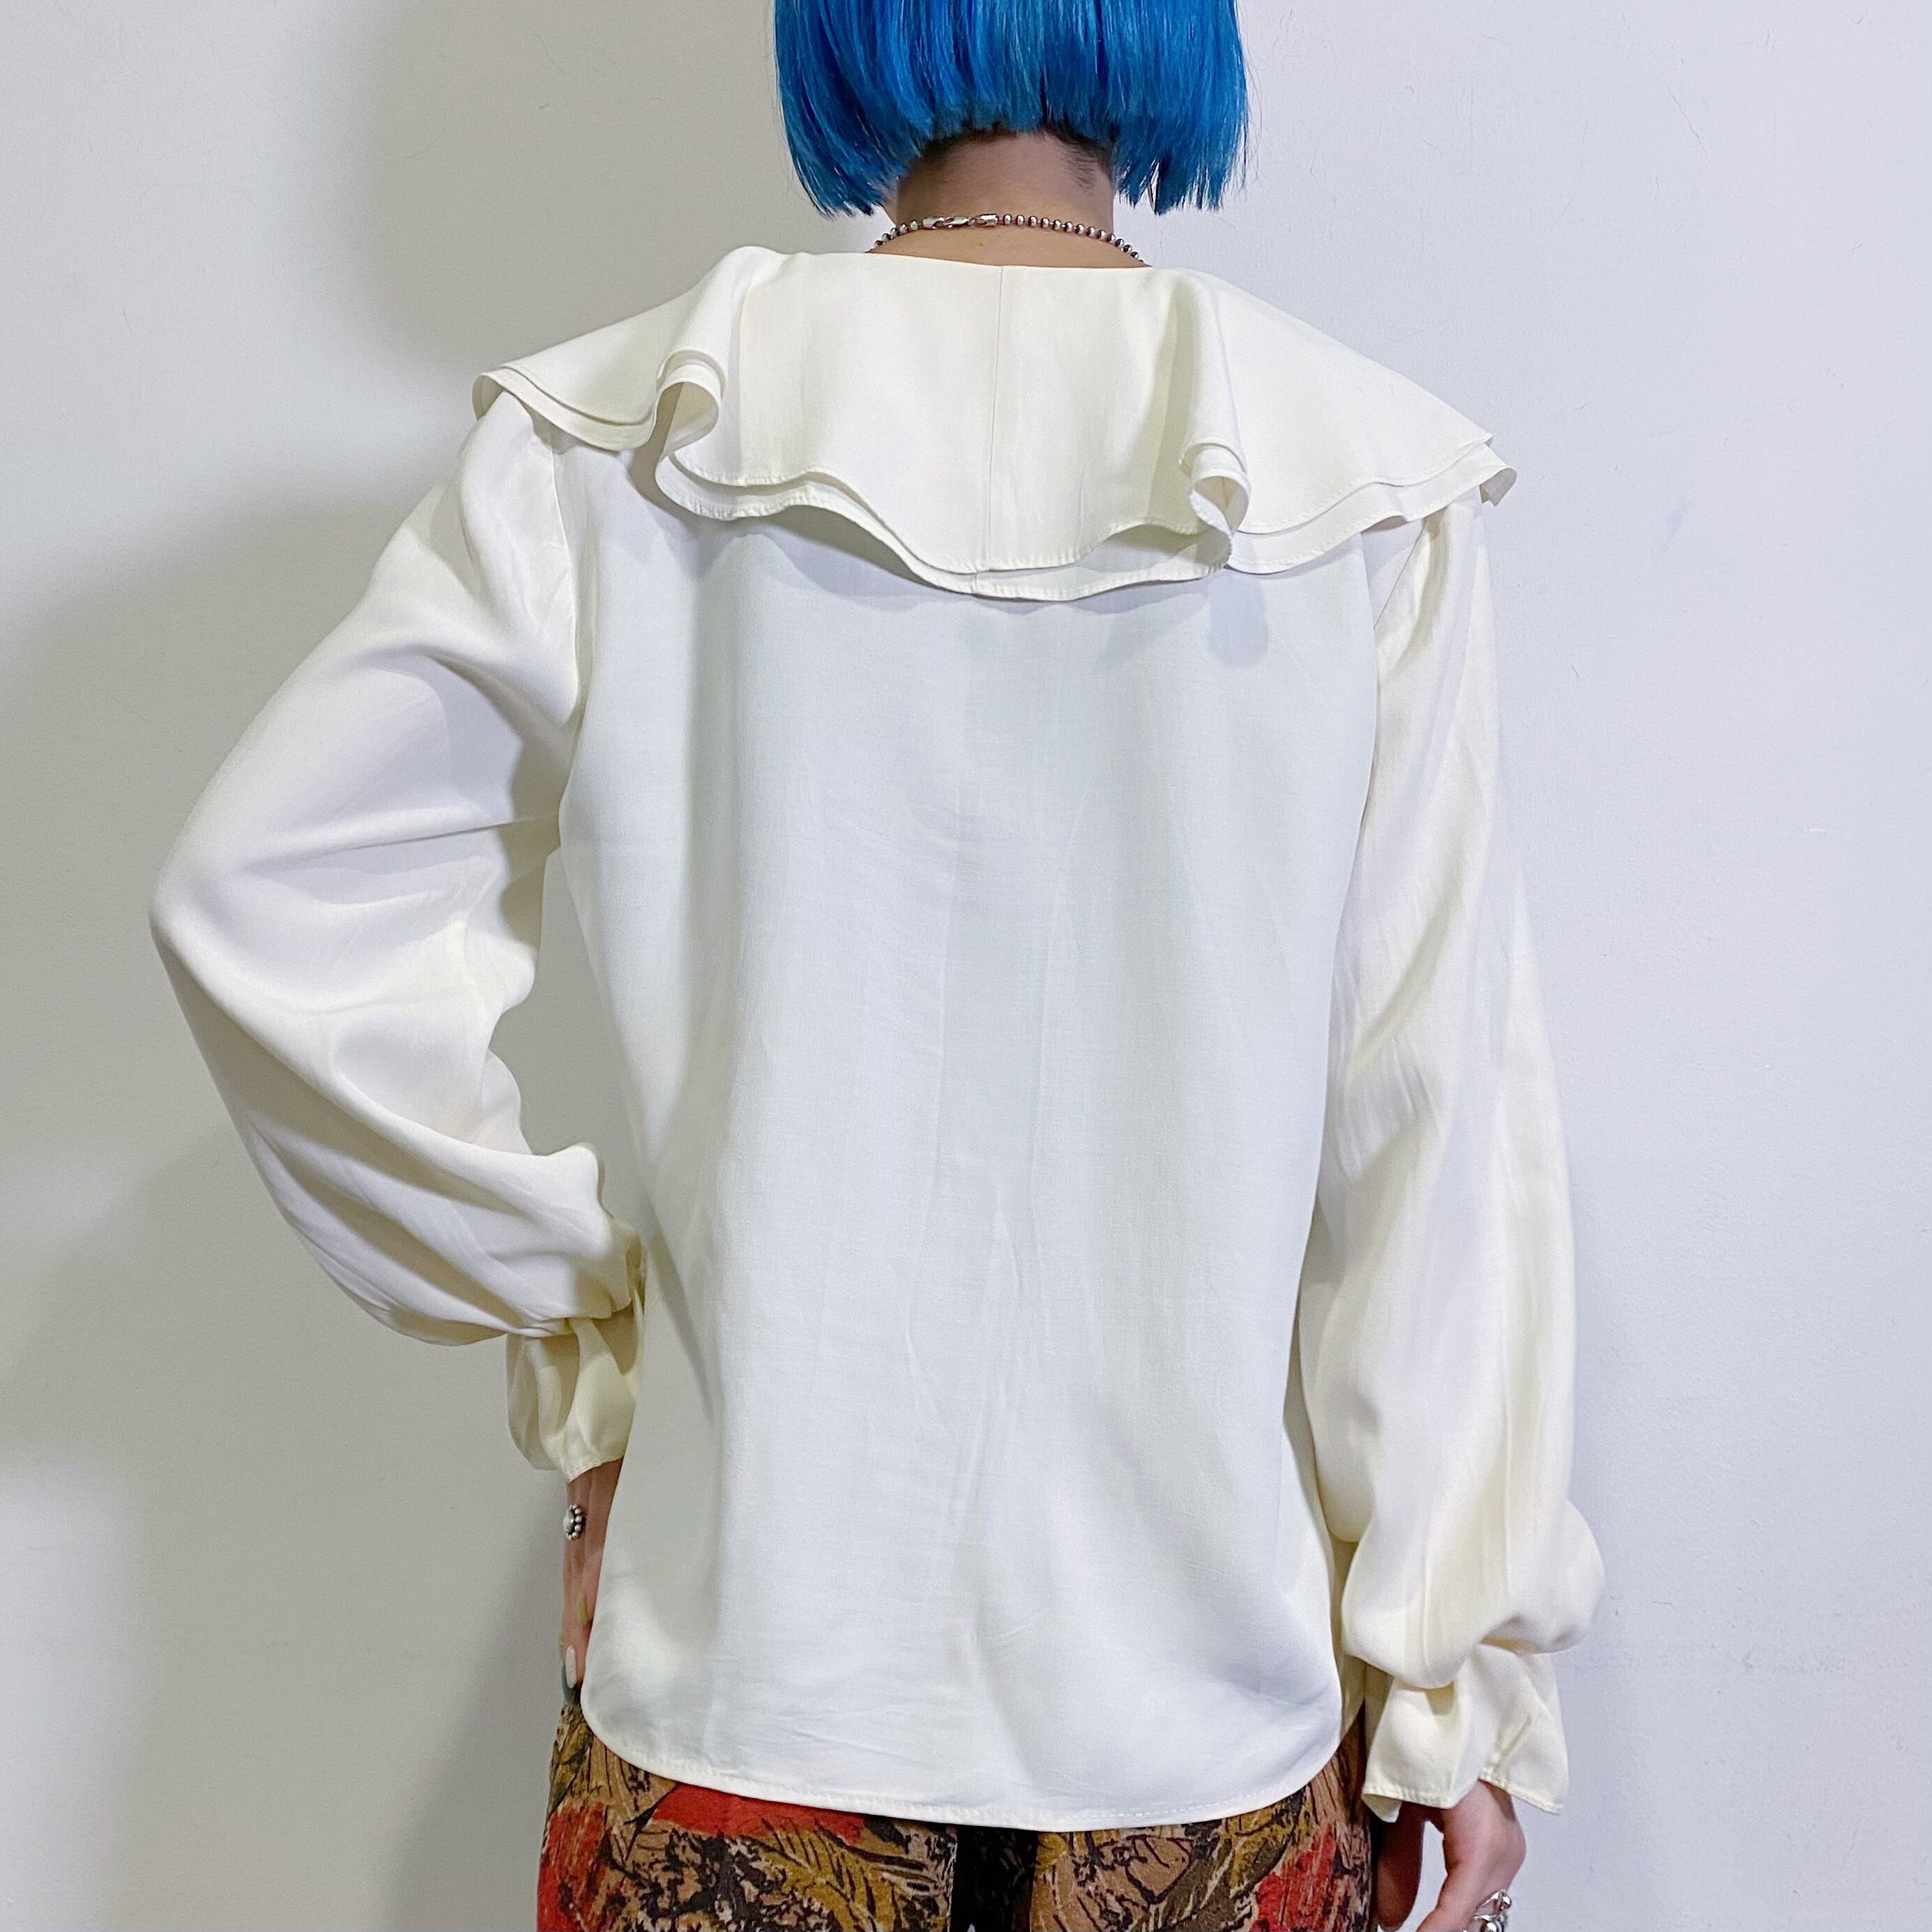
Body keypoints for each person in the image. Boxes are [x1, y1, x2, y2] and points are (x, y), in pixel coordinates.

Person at [147, 2, 1606, 1927]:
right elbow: (1433, 1129)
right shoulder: (1359, 483)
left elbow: (262, 905)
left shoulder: (622, 434)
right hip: (1199, 1738)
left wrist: (589, 1339)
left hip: (744, 1694)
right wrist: (1452, 1678)